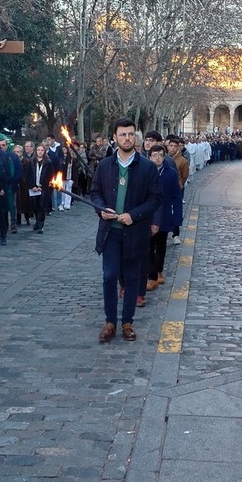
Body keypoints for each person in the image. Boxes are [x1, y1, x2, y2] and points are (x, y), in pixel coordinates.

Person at [89, 118, 162, 343]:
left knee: (131, 279)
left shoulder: (147, 167)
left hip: (135, 233)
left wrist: (134, 214)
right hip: (111, 232)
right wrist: (101, 210)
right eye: (122, 134)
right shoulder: (104, 165)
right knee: (109, 276)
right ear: (115, 137)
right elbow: (95, 193)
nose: (127, 138)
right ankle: (110, 321)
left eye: (131, 134)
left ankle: (127, 321)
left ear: (135, 138)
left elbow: (155, 198)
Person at [145, 144, 181, 291]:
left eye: (160, 155)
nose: (157, 158)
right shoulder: (145, 172)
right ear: (149, 156)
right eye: (154, 155)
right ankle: (152, 275)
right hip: (148, 214)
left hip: (165, 214)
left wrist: (177, 219)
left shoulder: (171, 173)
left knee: (160, 247)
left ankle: (158, 271)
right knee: (148, 247)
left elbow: (177, 197)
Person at [25, 144, 53, 233]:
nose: (40, 152)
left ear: (44, 152)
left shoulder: (48, 162)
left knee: (42, 206)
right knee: (34, 206)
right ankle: (37, 221)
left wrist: (42, 186)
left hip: (43, 188)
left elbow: (50, 176)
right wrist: (32, 186)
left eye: (42, 150)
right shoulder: (31, 162)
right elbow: (28, 175)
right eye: (38, 150)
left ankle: (40, 225)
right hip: (33, 188)